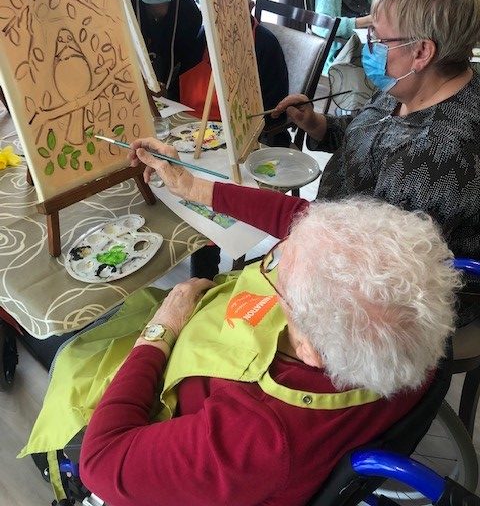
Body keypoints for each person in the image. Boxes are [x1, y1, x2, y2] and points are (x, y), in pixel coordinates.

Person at [21, 194, 458, 506]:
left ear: (310, 350)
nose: (272, 272)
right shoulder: (411, 321)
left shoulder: (255, 440)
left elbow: (102, 461)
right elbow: (314, 228)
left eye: (280, 283)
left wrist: (160, 331)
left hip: (164, 436)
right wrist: (199, 188)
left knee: (73, 358)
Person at [133, 0, 480, 325]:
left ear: (422, 51)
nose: (368, 47)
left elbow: (366, 265)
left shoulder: (438, 152)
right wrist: (316, 123)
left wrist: (199, 190)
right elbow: (369, 132)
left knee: (209, 319)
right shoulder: (415, 85)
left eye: (378, 38)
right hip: (341, 238)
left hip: (377, 303)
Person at [181, 0, 290, 279]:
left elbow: (273, 115)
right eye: (207, 4)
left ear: (249, 7)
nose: (214, 16)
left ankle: (204, 278)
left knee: (212, 200)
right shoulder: (197, 36)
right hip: (192, 136)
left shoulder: (265, 46)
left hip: (245, 145)